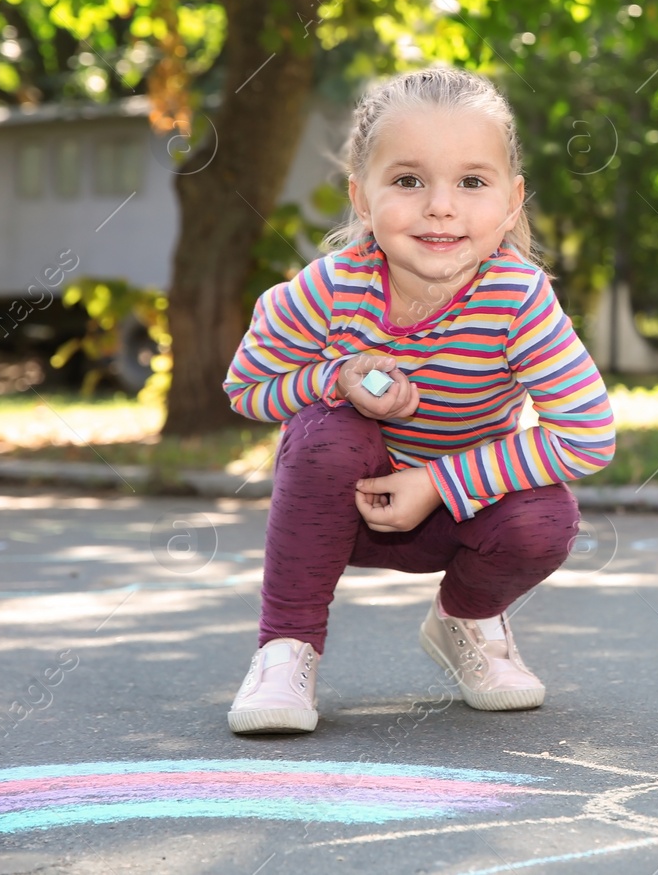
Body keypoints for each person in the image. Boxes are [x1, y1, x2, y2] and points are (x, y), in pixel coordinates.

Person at [220, 67, 615, 734]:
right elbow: (245, 387)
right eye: (408, 180)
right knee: (327, 432)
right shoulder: (329, 288)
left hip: (461, 515)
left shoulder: (516, 298)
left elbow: (588, 435)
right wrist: (335, 376)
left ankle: (465, 618)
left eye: (471, 181)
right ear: (362, 198)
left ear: (512, 201)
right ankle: (286, 647)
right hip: (341, 512)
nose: (440, 205)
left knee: (546, 517)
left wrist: (438, 481)